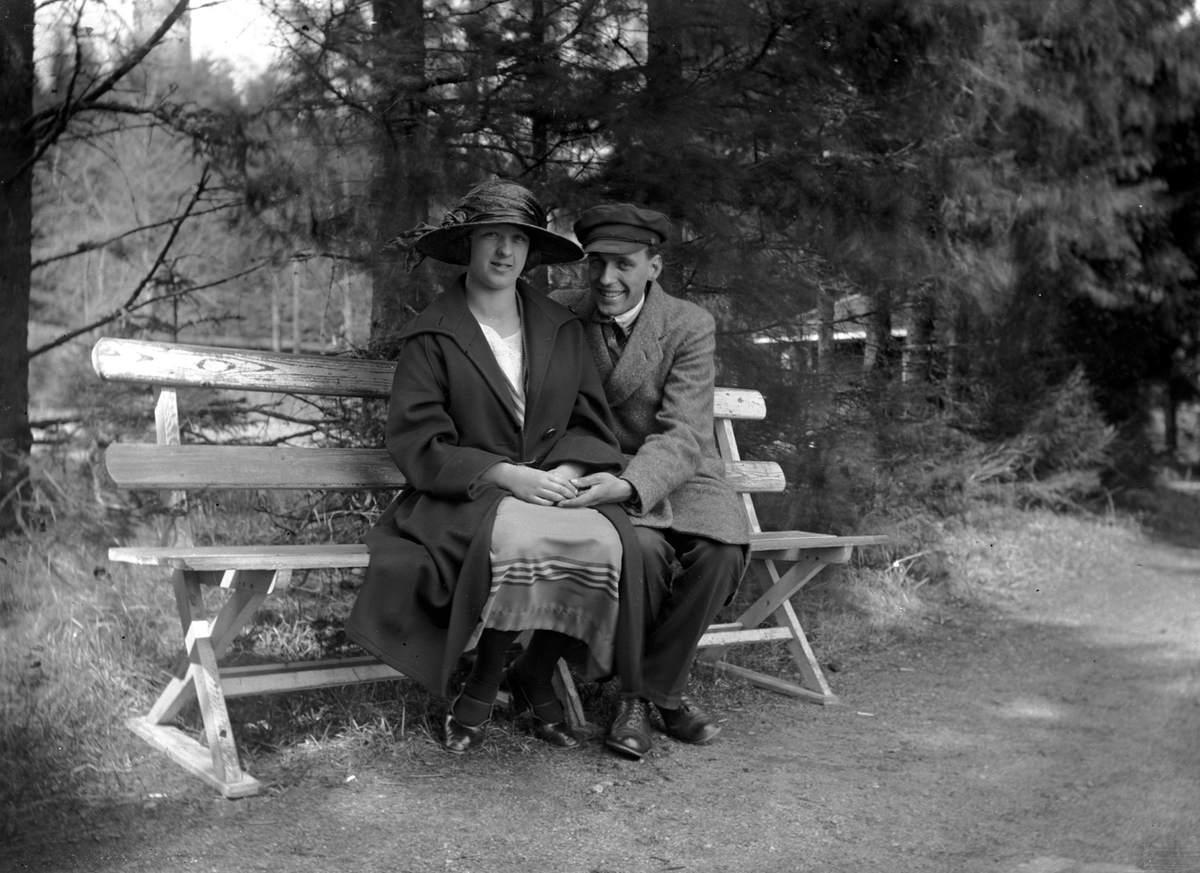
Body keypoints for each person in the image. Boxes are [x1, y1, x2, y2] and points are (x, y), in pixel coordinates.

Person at [346, 181, 645, 754]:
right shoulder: (434, 334)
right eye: (492, 236)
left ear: (531, 251)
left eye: (518, 239)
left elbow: (588, 421)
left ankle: (534, 672)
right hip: (463, 495)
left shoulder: (560, 327)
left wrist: (566, 473)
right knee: (523, 540)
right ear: (468, 244)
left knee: (607, 542)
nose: (506, 251)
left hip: (551, 482)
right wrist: (507, 476)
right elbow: (419, 442)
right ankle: (482, 687)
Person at [552, 203, 751, 759]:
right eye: (596, 262)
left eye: (624, 264)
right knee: (640, 550)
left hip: (678, 472)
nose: (606, 278)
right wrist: (597, 476)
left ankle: (650, 693)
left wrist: (633, 484)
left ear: (653, 267)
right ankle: (649, 700)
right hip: (596, 470)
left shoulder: (688, 324)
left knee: (721, 553)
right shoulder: (561, 315)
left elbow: (685, 433)